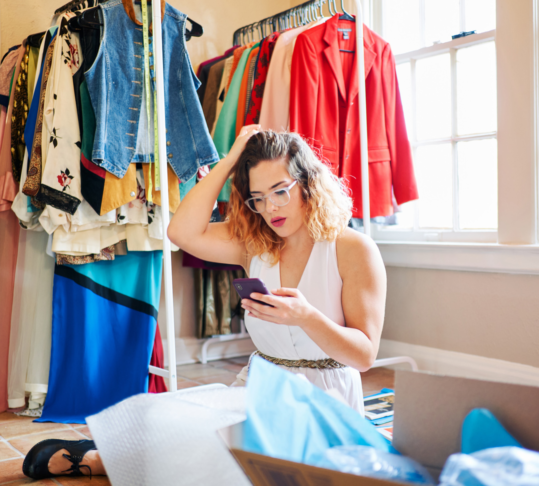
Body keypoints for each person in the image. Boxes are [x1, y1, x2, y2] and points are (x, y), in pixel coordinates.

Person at [22, 126, 386, 480]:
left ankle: (109, 458)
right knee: (199, 450)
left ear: (307, 182)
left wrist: (306, 317)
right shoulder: (256, 243)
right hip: (261, 390)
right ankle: (104, 457)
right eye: (257, 198)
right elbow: (180, 232)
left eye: (280, 191)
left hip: (325, 401)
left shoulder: (353, 249)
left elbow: (364, 355)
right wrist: (229, 161)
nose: (270, 208)